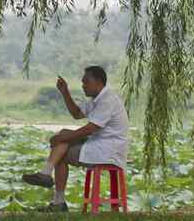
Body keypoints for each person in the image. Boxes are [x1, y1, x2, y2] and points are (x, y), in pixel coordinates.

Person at [22, 66, 129, 212]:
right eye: (82, 82)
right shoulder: (95, 99)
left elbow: (90, 128)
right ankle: (48, 178)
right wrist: (65, 92)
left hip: (108, 150)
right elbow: (77, 114)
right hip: (99, 144)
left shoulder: (107, 100)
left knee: (61, 150)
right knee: (63, 138)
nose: (83, 85)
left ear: (98, 81)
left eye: (86, 82)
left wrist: (62, 138)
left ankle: (55, 194)